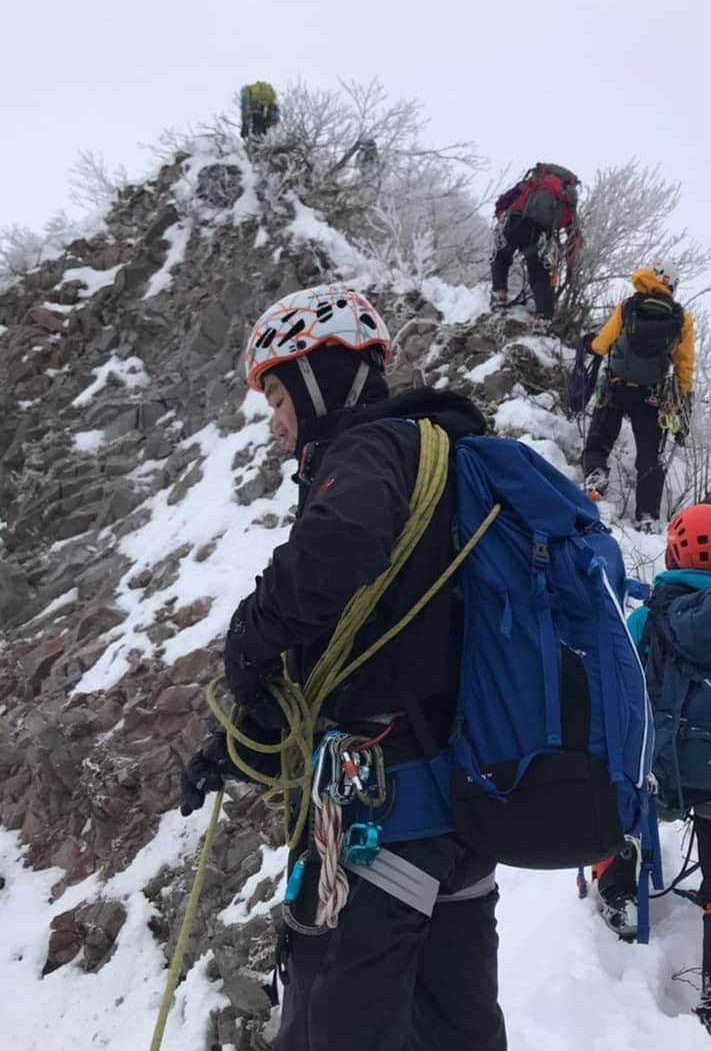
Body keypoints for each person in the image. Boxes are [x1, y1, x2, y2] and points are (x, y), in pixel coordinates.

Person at [180, 283, 506, 1051]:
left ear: (320, 377)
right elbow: (377, 646)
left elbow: (334, 556)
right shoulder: (446, 462)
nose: (277, 425)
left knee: (331, 1028)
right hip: (457, 814)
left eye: (279, 399)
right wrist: (238, 741)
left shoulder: (370, 450)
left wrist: (247, 643)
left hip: (385, 818)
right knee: (456, 1029)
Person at [592, 505, 711, 1035]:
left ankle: (619, 895)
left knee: (615, 803)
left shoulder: (650, 616)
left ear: (674, 551)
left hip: (663, 776)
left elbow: (621, 692)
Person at [580, 261, 694, 532]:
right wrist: (680, 399)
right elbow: (684, 365)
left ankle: (595, 478)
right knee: (649, 455)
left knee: (600, 436)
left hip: (617, 386)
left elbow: (601, 344)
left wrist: (589, 343)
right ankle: (647, 516)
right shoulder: (682, 319)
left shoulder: (628, 306)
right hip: (651, 396)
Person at [490, 163, 581, 325]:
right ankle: (543, 317)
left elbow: (501, 203)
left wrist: (502, 220)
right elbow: (574, 234)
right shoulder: (566, 198)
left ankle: (499, 294)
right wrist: (570, 264)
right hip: (538, 233)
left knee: (501, 257)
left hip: (514, 223)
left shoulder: (530, 184)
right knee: (539, 272)